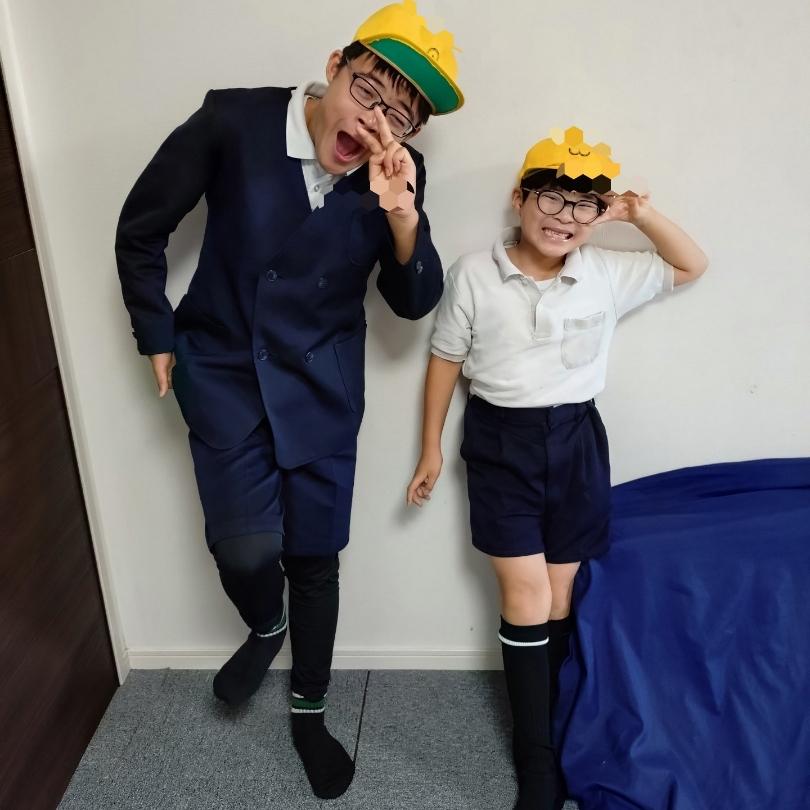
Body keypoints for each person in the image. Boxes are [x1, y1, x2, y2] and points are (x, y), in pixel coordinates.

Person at [115, 0, 463, 799]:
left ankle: (310, 712)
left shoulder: (396, 172)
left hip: (321, 386)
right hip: (223, 370)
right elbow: (141, 228)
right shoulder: (235, 121)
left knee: (313, 558)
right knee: (244, 551)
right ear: (336, 65)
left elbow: (414, 301)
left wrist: (402, 214)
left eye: (401, 116)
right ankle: (264, 624)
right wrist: (156, 332)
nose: (376, 123)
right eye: (369, 92)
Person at [406, 126, 708, 809]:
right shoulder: (474, 274)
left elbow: (692, 265)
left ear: (598, 216)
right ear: (520, 198)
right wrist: (430, 447)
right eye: (551, 198)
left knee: (561, 597)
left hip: (576, 443)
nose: (564, 217)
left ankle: (560, 725)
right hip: (500, 443)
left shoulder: (604, 271)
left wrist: (638, 214)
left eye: (583, 206)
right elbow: (445, 359)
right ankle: (535, 756)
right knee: (525, 596)